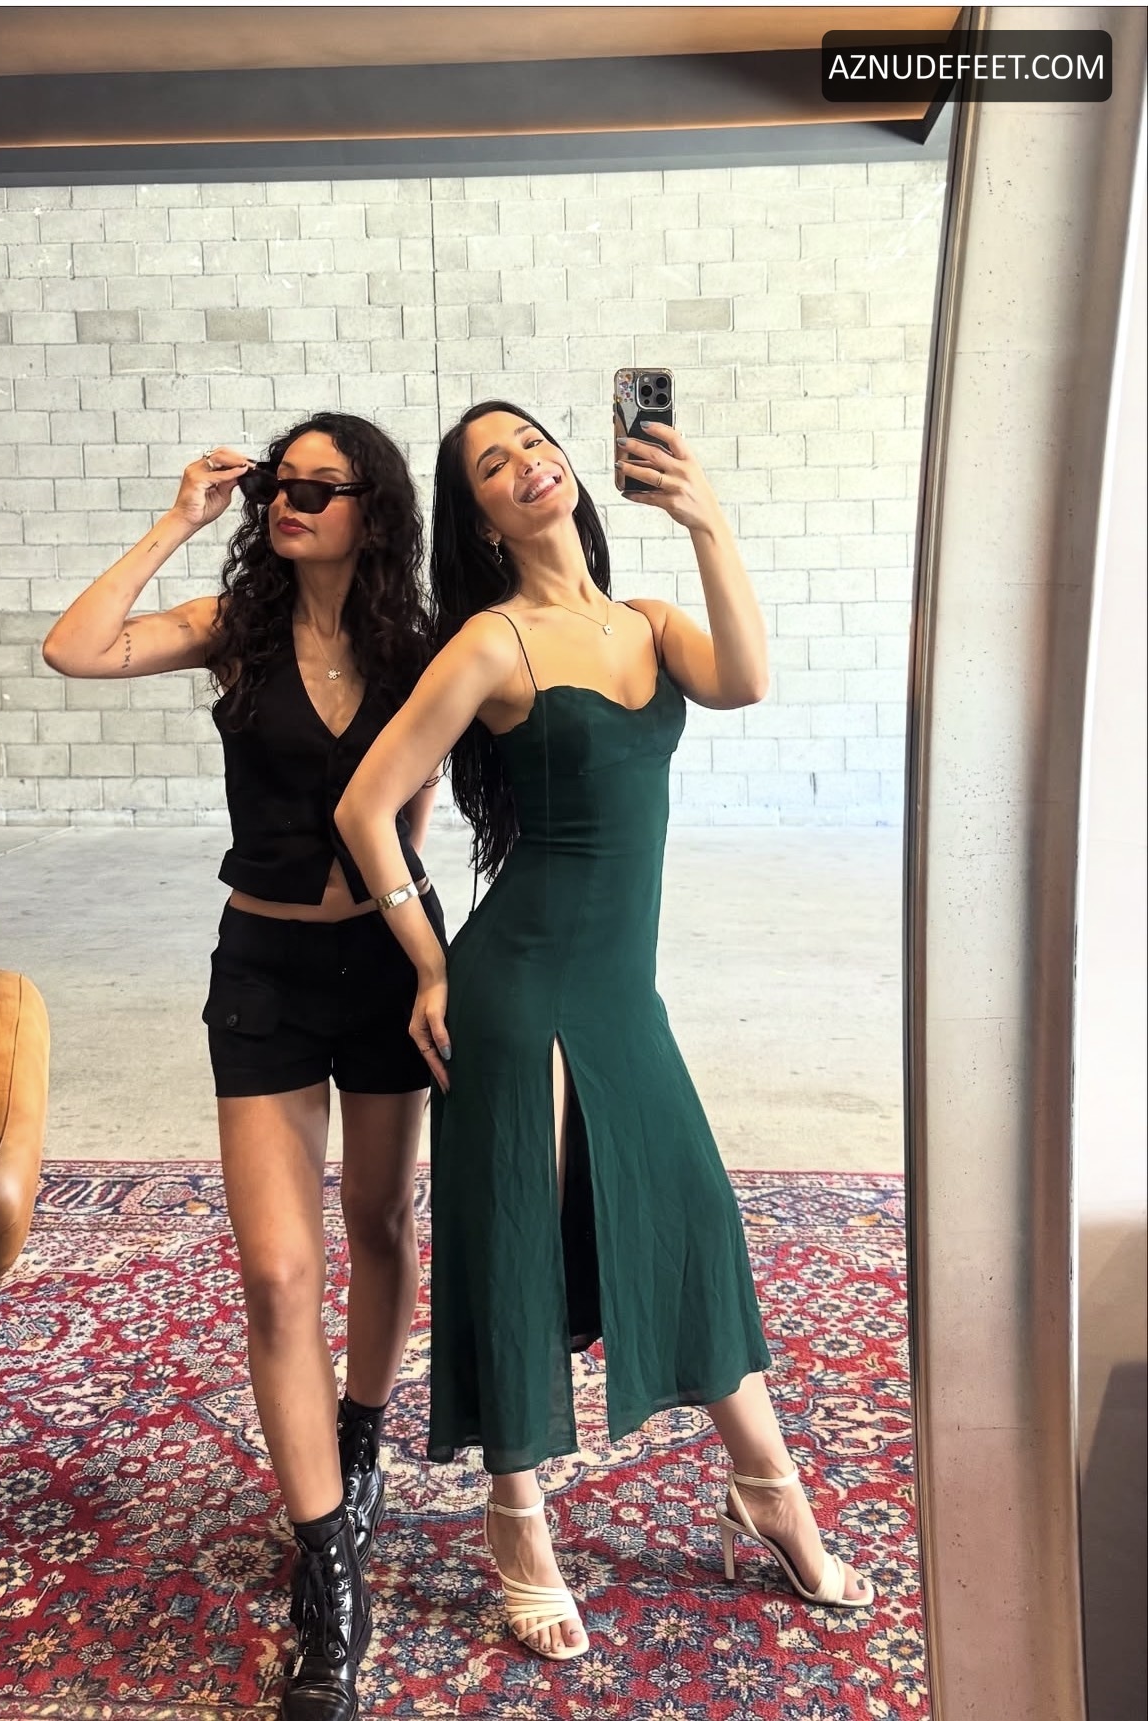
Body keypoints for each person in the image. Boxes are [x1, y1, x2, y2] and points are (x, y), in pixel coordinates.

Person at [334, 399, 874, 1664]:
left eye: (535, 443)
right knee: (518, 1241)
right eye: (494, 464)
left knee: (691, 1222)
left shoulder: (651, 623)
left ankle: (765, 1487)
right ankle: (517, 1522)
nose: (527, 465)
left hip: (623, 992)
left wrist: (704, 516)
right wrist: (428, 961)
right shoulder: (492, 640)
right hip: (519, 988)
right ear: (479, 516)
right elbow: (368, 808)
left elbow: (746, 680)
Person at [43, 413, 444, 1721]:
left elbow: (421, 809)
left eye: (319, 487)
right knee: (276, 1270)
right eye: (279, 482)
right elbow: (75, 648)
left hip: (385, 962)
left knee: (378, 1222)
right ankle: (328, 1577)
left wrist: (437, 959)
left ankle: (362, 1435)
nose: (288, 501)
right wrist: (179, 520)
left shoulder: (417, 644)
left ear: (372, 510)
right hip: (263, 970)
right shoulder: (237, 628)